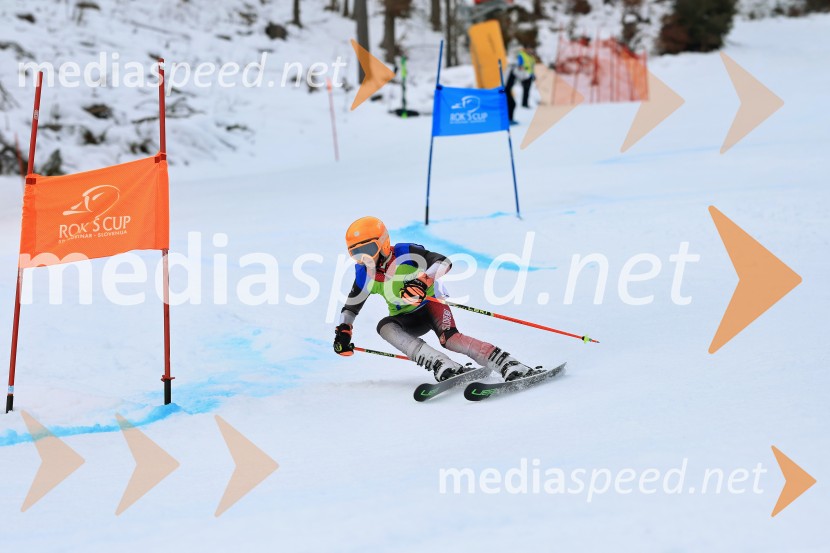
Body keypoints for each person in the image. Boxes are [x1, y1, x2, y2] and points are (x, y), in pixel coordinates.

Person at [333, 216, 537, 382]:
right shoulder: (364, 273)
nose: (364, 259)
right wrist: (344, 331)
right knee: (384, 326)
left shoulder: (405, 252)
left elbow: (443, 261)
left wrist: (423, 281)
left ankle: (508, 363)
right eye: (356, 254)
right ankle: (440, 363)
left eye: (368, 250)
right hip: (406, 319)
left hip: (431, 305)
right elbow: (351, 307)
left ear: (384, 243)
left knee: (451, 340)